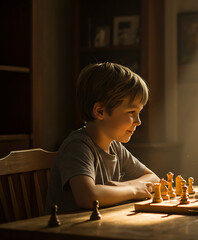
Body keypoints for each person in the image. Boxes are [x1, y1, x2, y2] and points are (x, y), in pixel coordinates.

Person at [45, 62, 160, 214]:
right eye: (131, 112)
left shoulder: (115, 147)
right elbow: (87, 196)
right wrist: (132, 189)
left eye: (139, 112)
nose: (139, 121)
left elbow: (154, 179)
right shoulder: (77, 147)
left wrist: (122, 187)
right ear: (100, 111)